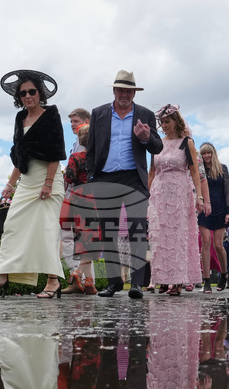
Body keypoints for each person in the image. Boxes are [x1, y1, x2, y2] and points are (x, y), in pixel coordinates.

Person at [0, 70, 67, 298]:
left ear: (40, 93)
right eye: (23, 93)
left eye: (32, 91)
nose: (28, 96)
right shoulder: (20, 118)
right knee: (13, 226)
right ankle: (2, 275)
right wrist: (10, 184)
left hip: (49, 177)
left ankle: (52, 281)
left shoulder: (52, 115)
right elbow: (20, 153)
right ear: (19, 97)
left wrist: (48, 183)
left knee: (47, 229)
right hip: (27, 180)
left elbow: (56, 153)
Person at [85, 70, 163, 299]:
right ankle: (113, 282)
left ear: (134, 93)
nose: (124, 94)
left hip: (134, 179)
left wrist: (146, 137)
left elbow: (157, 148)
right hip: (105, 179)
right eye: (121, 90)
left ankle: (137, 284)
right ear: (114, 90)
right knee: (108, 232)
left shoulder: (146, 115)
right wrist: (92, 177)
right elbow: (90, 150)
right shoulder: (99, 114)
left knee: (137, 231)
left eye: (129, 91)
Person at [147, 104, 202, 296]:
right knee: (160, 235)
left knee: (178, 236)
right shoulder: (158, 144)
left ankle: (178, 281)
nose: (164, 125)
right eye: (161, 122)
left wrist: (199, 196)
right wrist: (149, 196)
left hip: (179, 191)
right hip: (160, 192)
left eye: (167, 121)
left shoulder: (186, 142)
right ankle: (162, 278)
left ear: (176, 121)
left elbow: (194, 171)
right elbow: (152, 171)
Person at [60, 124, 99, 295]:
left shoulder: (75, 157)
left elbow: (69, 178)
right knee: (92, 240)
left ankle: (86, 280)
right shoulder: (100, 158)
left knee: (82, 240)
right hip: (95, 198)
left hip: (77, 198)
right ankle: (81, 275)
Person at [197, 143, 229, 292]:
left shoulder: (222, 168)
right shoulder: (199, 170)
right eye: (204, 154)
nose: (206, 156)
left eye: (208, 153)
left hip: (219, 208)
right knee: (206, 242)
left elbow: (227, 191)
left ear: (213, 154)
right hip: (204, 209)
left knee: (218, 245)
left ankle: (224, 275)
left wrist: (228, 211)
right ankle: (206, 280)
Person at [61, 108, 91, 273]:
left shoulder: (81, 147)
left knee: (69, 236)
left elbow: (71, 175)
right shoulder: (78, 143)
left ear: (86, 121)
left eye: (76, 121)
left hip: (77, 195)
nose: (72, 125)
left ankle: (75, 274)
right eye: (71, 121)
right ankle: (87, 278)